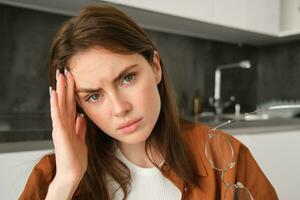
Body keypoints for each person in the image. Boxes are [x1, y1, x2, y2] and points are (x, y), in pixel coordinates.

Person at [19, 4, 278, 200]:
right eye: (94, 96)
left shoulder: (223, 154)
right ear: (77, 104)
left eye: (127, 78)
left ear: (155, 67)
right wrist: (65, 182)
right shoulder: (51, 178)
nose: (120, 108)